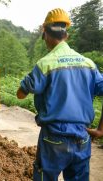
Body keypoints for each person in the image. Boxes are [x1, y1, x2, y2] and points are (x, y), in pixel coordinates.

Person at [17, 8, 103, 181]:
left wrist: (28, 83)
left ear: (46, 33)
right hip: (82, 136)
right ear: (67, 35)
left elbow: (20, 95)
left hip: (53, 137)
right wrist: (101, 130)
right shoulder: (89, 64)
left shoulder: (45, 64)